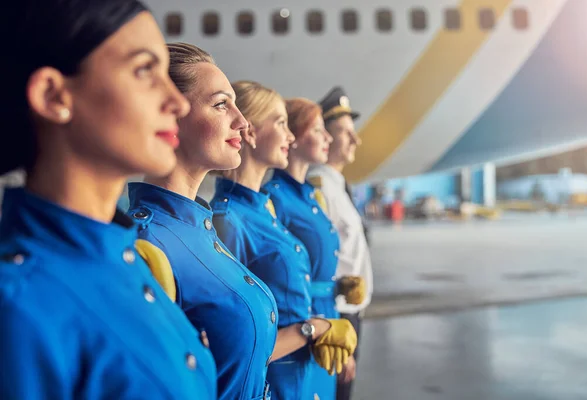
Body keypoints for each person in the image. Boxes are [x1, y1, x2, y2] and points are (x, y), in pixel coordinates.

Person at [0, 2, 217, 399]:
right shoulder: (18, 308)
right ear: (53, 95)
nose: (178, 102)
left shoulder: (125, 260)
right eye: (143, 71)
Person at [127, 42, 278, 399]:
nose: (241, 122)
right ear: (170, 115)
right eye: (221, 104)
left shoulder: (198, 226)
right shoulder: (146, 242)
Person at [210, 81, 358, 400]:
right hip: (274, 382)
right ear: (249, 132)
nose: (289, 136)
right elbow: (236, 347)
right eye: (281, 124)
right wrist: (313, 329)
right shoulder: (229, 220)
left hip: (300, 373)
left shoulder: (262, 210)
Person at [263, 98, 365, 400]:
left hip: (326, 322)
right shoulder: (275, 199)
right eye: (318, 129)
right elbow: (285, 278)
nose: (328, 138)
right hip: (303, 329)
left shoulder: (311, 197)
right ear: (293, 137)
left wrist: (337, 288)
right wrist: (320, 327)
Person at [307, 87, 374, 400]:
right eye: (346, 133)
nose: (355, 140)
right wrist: (334, 325)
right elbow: (317, 262)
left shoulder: (338, 185)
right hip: (337, 314)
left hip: (350, 313)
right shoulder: (319, 186)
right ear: (327, 138)